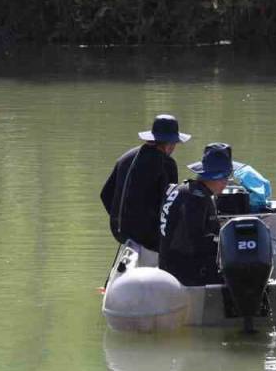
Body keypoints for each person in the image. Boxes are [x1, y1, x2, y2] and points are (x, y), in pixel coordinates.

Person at [100, 114, 191, 252]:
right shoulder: (166, 164)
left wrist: (121, 220)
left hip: (119, 232)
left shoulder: (126, 157)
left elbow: (105, 194)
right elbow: (169, 206)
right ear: (169, 144)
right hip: (147, 238)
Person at [157, 143, 233, 286]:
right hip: (182, 273)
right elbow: (196, 242)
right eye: (225, 178)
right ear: (215, 177)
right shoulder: (197, 198)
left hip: (167, 264)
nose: (226, 183)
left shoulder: (182, 189)